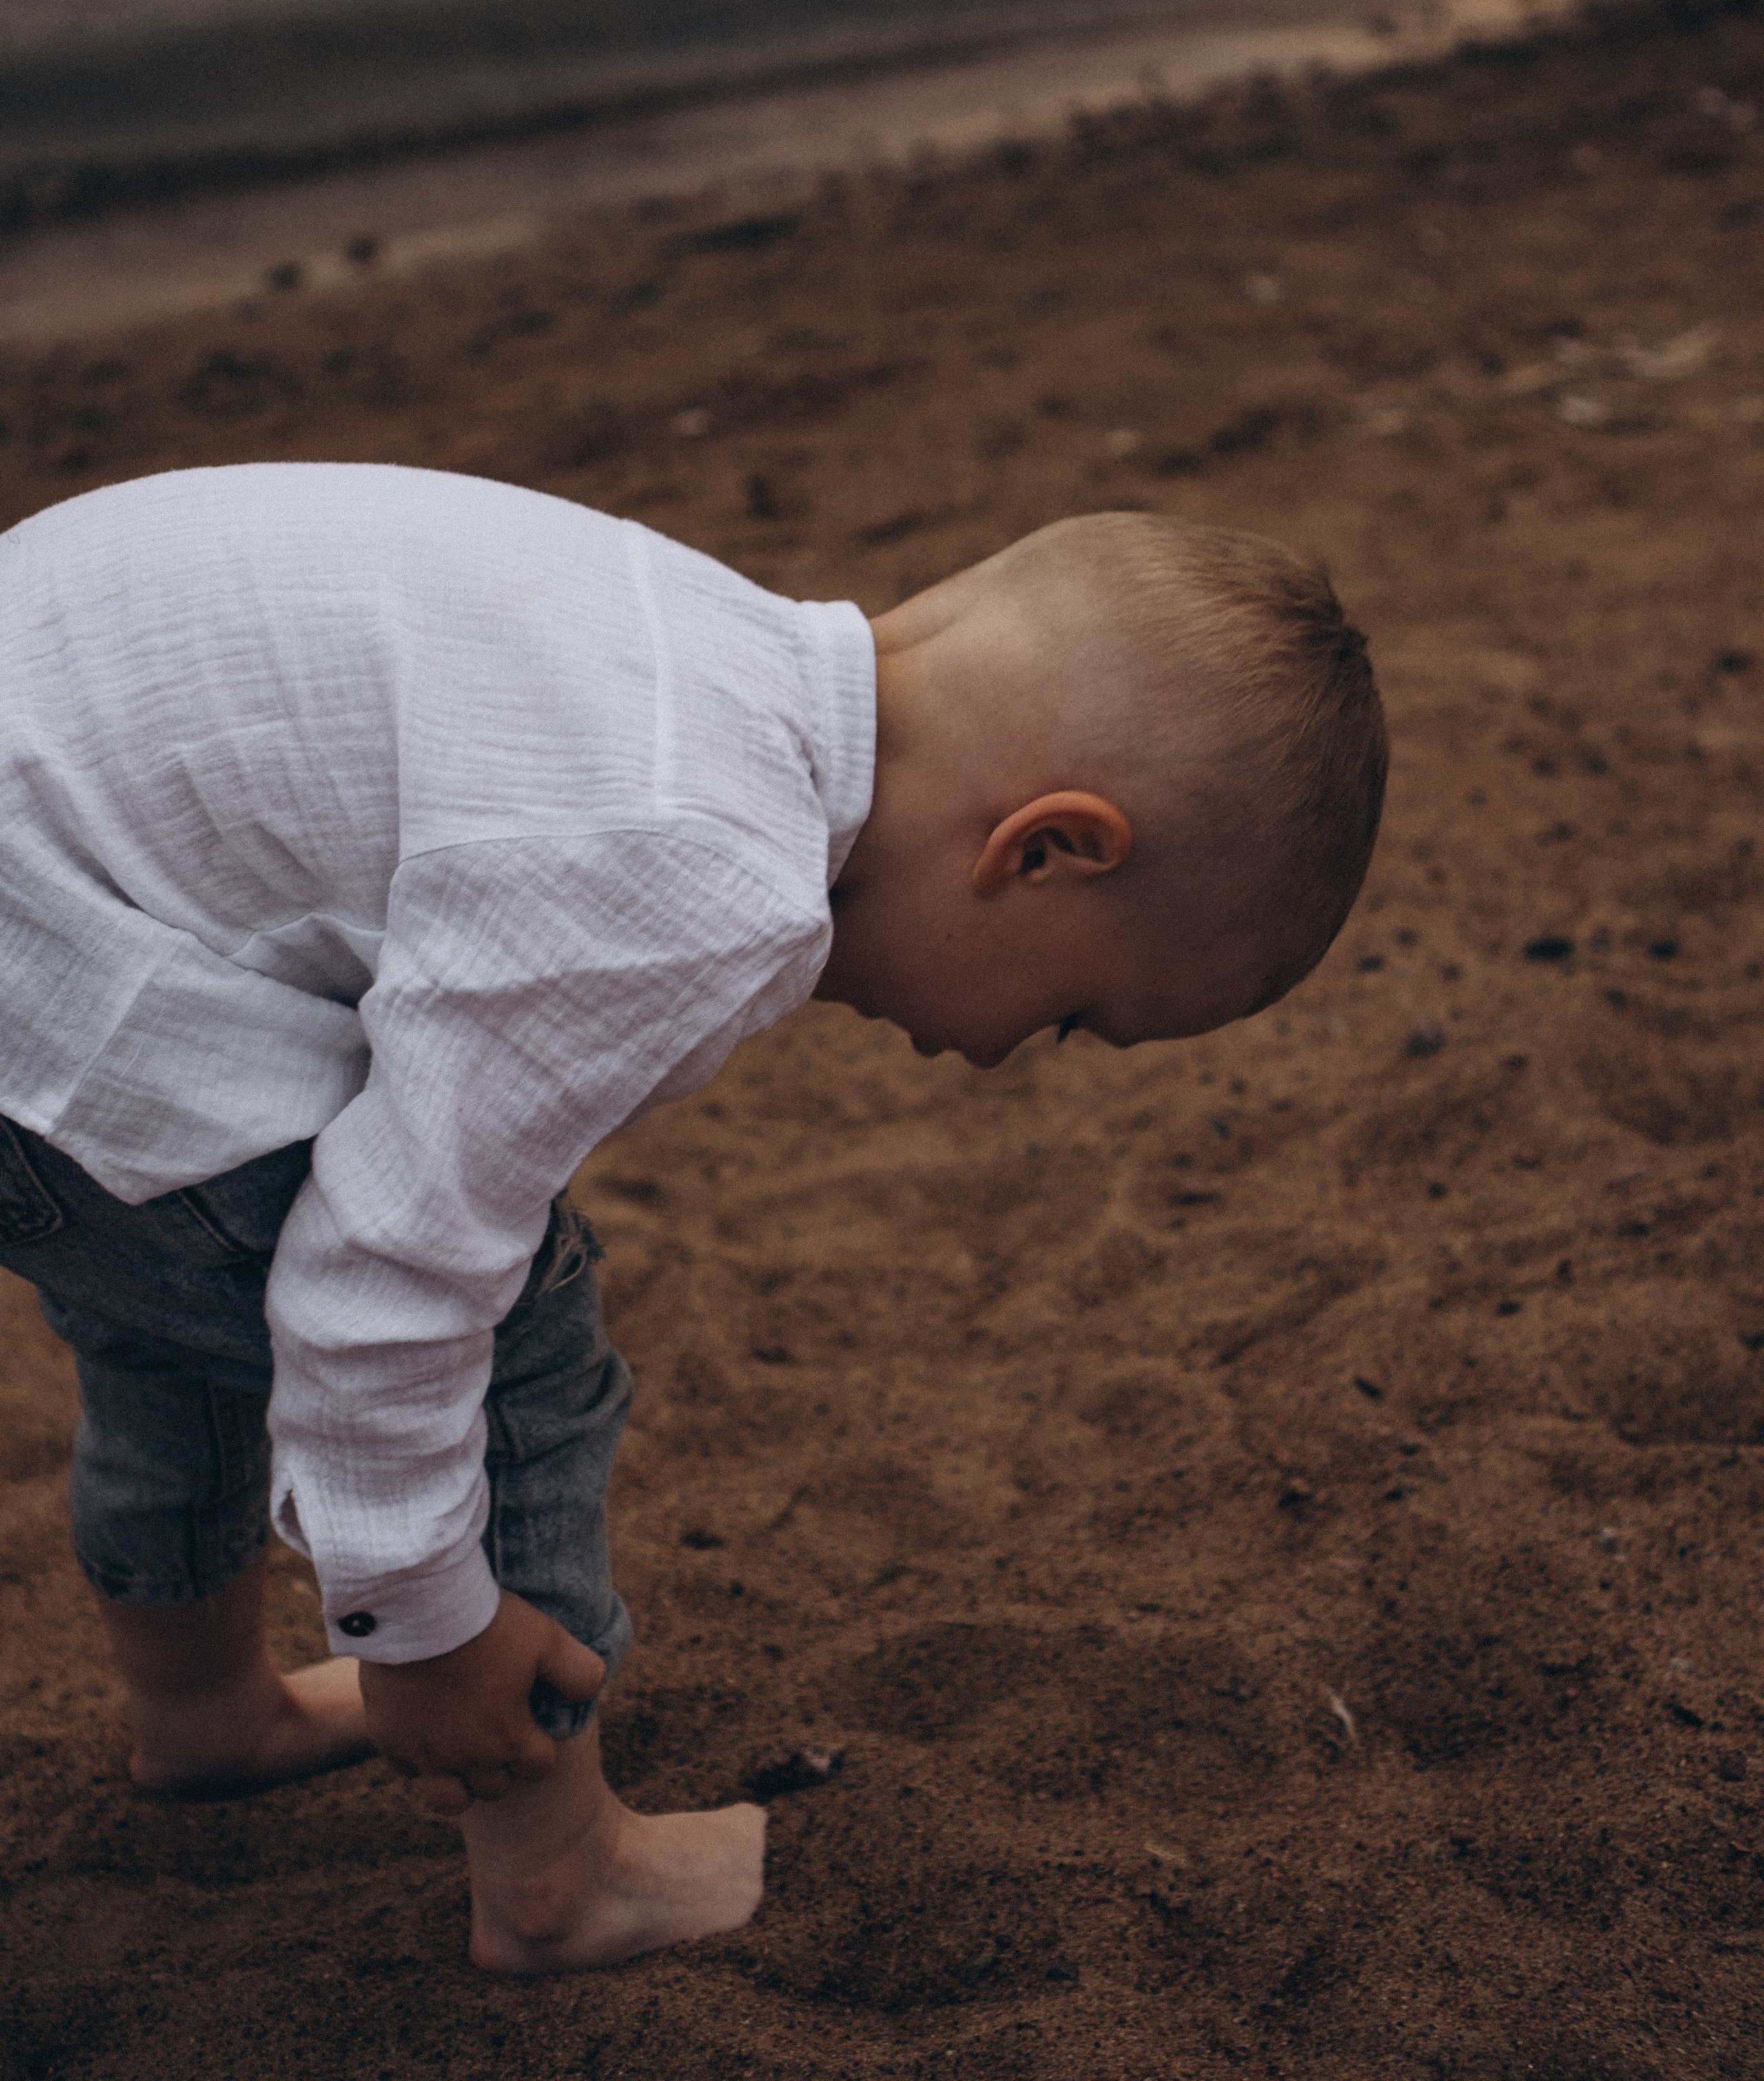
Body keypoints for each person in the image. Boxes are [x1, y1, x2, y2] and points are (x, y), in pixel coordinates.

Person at [0, 464, 1386, 1972]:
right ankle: (558, 1877)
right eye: (1068, 1016)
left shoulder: (689, 655)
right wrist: (423, 1623)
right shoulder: (699, 870)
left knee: (174, 1315)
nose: (1000, 1057)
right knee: (510, 1344)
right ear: (1044, 850)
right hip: (55, 953)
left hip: (62, 890)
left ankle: (208, 1716)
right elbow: (389, 1274)